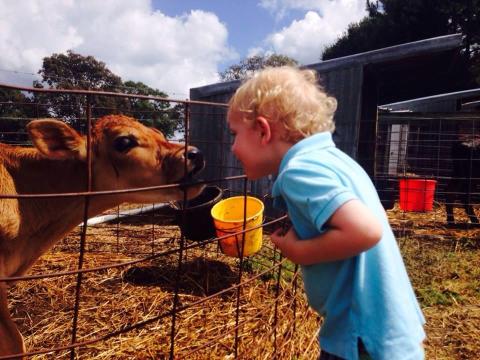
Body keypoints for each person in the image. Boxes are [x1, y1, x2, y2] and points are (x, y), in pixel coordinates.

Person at [227, 66, 425, 360]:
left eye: (235, 134)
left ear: (262, 130)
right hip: (390, 323)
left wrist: (299, 251)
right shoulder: (335, 160)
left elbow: (365, 231)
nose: (232, 148)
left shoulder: (300, 170)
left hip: (360, 335)